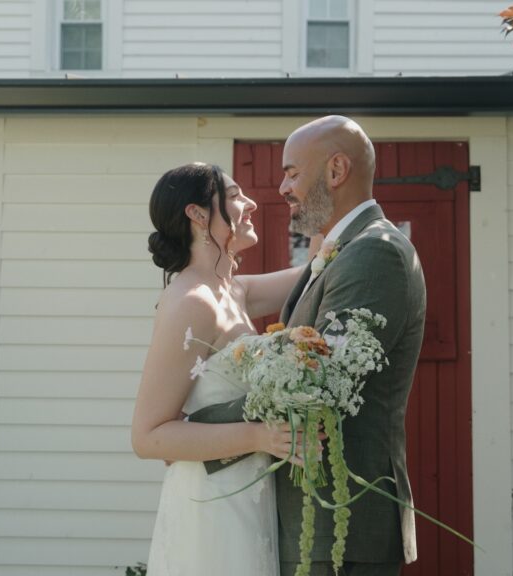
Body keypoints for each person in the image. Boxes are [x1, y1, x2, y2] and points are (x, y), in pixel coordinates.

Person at [191, 116, 427, 576]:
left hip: (340, 523)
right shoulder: (344, 250)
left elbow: (318, 387)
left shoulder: (375, 252)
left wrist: (192, 431)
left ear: (336, 171)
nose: (282, 187)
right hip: (315, 525)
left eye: (292, 172)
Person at [131, 162, 320, 576]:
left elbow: (319, 269)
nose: (250, 203)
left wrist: (315, 199)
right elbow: (148, 436)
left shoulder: (232, 290)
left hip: (248, 495)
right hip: (211, 502)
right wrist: (260, 435)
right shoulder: (191, 302)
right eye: (234, 197)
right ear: (197, 215)